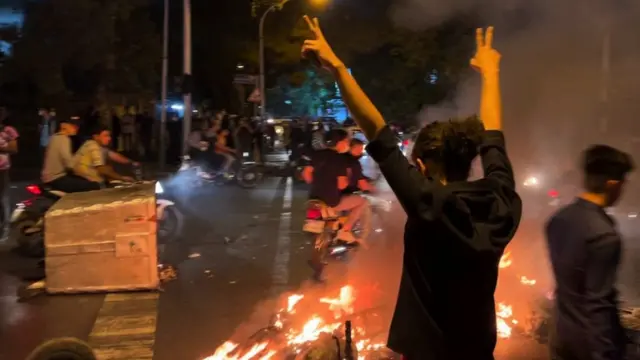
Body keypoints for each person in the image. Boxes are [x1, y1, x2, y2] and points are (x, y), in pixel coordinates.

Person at [302, 18, 521, 359]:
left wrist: (337, 67)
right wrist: (491, 72)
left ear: (421, 166)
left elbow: (377, 132)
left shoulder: (429, 203)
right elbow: (494, 138)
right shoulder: (502, 200)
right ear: (470, 158)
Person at [546, 145, 634, 360]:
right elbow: (598, 305)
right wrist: (605, 353)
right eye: (623, 184)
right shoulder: (603, 235)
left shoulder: (558, 220)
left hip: (560, 337)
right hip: (588, 348)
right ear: (612, 184)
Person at [302, 128, 367, 244]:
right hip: (331, 200)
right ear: (340, 142)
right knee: (362, 201)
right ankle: (345, 230)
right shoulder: (340, 159)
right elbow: (342, 185)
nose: (348, 144)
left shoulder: (317, 155)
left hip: (314, 197)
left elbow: (306, 173)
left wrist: (318, 183)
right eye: (347, 141)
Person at [41, 117, 101, 193]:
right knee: (93, 185)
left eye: (77, 126)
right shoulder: (63, 139)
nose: (76, 128)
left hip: (50, 177)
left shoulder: (54, 137)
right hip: (56, 178)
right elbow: (69, 163)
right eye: (73, 126)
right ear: (63, 126)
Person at [0, 107, 18, 239]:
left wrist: (3, 147)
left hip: (2, 168)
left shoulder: (8, 130)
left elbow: (14, 148)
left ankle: (5, 228)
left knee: (3, 198)